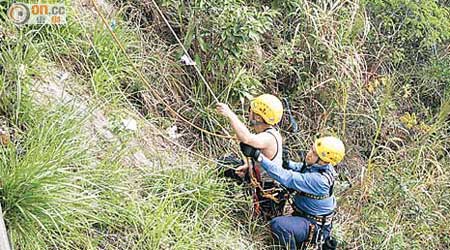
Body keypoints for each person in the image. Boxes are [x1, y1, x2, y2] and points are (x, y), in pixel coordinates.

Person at [240, 136, 345, 250]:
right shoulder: (319, 167)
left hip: (314, 225)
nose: (309, 154)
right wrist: (287, 163)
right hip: (306, 217)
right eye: (311, 149)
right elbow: (300, 168)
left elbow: (287, 177)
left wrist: (258, 156)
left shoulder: (319, 180)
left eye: (314, 153)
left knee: (279, 226)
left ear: (324, 161)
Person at [216, 94, 285, 219]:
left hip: (267, 193)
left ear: (258, 116)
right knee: (226, 164)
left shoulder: (269, 137)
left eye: (251, 110)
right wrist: (248, 166)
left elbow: (247, 138)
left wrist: (230, 115)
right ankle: (225, 199)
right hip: (258, 180)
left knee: (261, 220)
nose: (249, 113)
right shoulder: (268, 134)